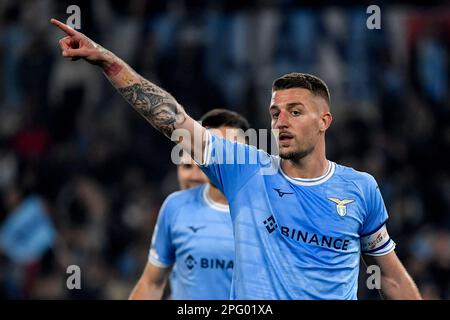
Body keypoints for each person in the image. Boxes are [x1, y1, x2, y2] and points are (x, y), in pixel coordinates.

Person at [51, 19, 422, 300]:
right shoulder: (247, 170)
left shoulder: (360, 189)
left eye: (295, 111)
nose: (281, 122)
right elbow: (173, 120)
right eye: (275, 113)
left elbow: (389, 275)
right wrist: (110, 63)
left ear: (325, 120)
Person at [129, 109, 249, 299]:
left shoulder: (267, 211)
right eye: (187, 165)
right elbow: (152, 283)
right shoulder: (175, 207)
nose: (194, 175)